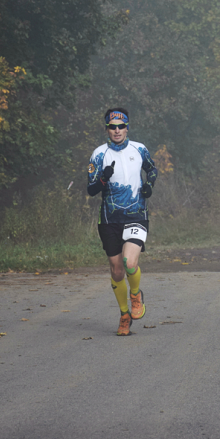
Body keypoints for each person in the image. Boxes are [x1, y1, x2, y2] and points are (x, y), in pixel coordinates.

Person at [87, 108, 158, 336]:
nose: (116, 131)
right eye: (112, 126)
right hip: (109, 219)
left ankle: (136, 295)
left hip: (136, 215)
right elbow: (91, 189)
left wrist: (148, 186)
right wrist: (103, 178)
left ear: (127, 127)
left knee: (129, 262)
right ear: (107, 129)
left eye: (121, 126)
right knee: (117, 271)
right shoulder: (99, 154)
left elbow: (152, 169)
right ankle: (124, 314)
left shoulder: (139, 149)